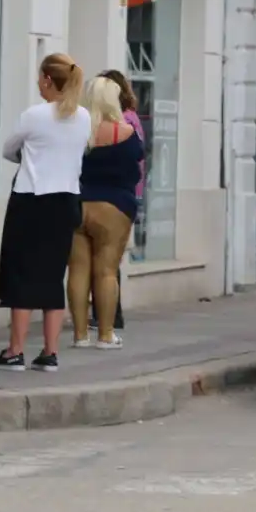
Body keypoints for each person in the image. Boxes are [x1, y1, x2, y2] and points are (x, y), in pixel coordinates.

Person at [0, 53, 89, 373]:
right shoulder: (84, 116)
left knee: (21, 272)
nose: (38, 83)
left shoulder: (34, 115)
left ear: (48, 79)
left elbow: (8, 149)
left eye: (40, 78)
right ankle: (50, 351)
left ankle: (15, 350)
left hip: (32, 197)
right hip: (67, 199)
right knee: (52, 273)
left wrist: (31, 155)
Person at [68, 77, 144, 349]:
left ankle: (79, 336)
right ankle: (106, 334)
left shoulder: (75, 132)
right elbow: (137, 163)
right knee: (107, 272)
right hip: (114, 207)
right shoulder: (125, 132)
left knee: (77, 271)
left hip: (77, 204)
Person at [90, 69, 142, 333]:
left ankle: (109, 314)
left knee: (107, 262)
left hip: (119, 196)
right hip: (124, 195)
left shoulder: (126, 120)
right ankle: (105, 314)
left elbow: (133, 156)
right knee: (109, 261)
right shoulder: (128, 119)